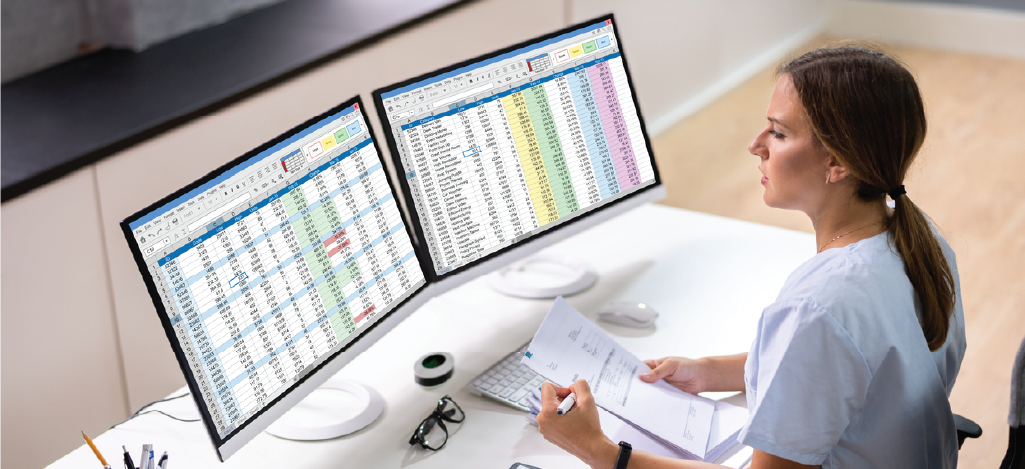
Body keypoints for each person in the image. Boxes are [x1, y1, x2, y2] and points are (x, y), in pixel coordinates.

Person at [536, 46, 967, 468]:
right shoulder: (919, 238)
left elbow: (823, 345)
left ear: (836, 163)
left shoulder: (819, 307)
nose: (755, 145)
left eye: (778, 133)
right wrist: (709, 372)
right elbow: (845, 367)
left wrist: (601, 452)